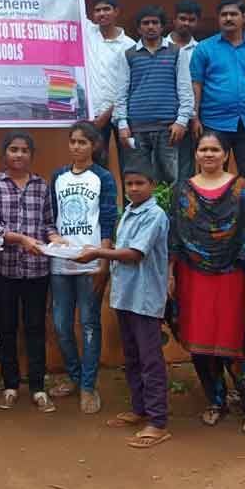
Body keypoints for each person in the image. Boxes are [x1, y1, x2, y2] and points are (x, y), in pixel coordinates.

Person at [168, 130, 245, 433]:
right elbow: (174, 234)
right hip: (193, 275)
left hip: (233, 275)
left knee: (238, 339)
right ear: (195, 154)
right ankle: (216, 400)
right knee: (201, 341)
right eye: (203, 149)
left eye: (214, 150)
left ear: (226, 154)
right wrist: (171, 272)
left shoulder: (242, 190)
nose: (208, 154)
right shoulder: (182, 190)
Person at [76, 163, 170, 449]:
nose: (133, 188)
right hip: (125, 296)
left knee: (150, 361)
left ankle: (158, 422)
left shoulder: (155, 214)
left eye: (139, 183)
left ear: (152, 184)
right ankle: (140, 409)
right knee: (132, 358)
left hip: (145, 298)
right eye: (128, 184)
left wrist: (97, 252)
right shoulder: (128, 211)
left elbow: (134, 254)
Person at [0, 131, 62, 413]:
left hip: (37, 270)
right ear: (5, 154)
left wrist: (56, 239)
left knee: (36, 328)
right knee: (7, 328)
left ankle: (38, 387)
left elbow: (49, 223)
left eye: (24, 150)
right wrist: (23, 240)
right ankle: (10, 385)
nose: (19, 154)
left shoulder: (42, 185)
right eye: (13, 149)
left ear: (31, 155)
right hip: (2, 269)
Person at [47, 121, 118, 414]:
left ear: (94, 146)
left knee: (89, 324)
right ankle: (75, 378)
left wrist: (103, 260)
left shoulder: (103, 177)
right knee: (62, 325)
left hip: (90, 263)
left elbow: (109, 218)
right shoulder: (58, 177)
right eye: (73, 141)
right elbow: (49, 215)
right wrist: (53, 236)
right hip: (61, 263)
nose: (76, 146)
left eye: (83, 142)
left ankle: (88, 386)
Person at [190, 0, 245, 190]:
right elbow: (196, 84)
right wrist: (194, 116)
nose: (228, 18)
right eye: (224, 15)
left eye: (233, 14)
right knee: (211, 176)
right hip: (214, 123)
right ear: (218, 18)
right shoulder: (204, 48)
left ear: (243, 17)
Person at [114, 5, 194, 186]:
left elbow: (185, 89)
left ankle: (171, 215)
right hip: (136, 129)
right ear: (138, 28)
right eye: (146, 23)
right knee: (139, 178)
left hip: (169, 129)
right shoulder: (128, 54)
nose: (150, 26)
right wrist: (122, 123)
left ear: (162, 26)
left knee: (171, 180)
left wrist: (182, 121)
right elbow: (121, 92)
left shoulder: (176, 52)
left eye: (155, 22)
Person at [85, 0, 136, 173]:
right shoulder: (88, 34)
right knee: (96, 167)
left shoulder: (130, 46)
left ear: (116, 12)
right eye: (97, 10)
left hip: (123, 116)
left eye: (106, 9)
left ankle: (131, 202)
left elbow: (130, 86)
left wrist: (108, 114)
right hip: (94, 117)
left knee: (129, 166)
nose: (102, 14)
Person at [167, 0, 203, 185]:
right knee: (163, 171)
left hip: (192, 119)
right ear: (174, 20)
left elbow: (200, 84)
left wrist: (194, 116)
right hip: (163, 118)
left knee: (187, 169)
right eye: (182, 18)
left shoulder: (201, 50)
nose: (186, 23)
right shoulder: (160, 46)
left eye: (191, 19)